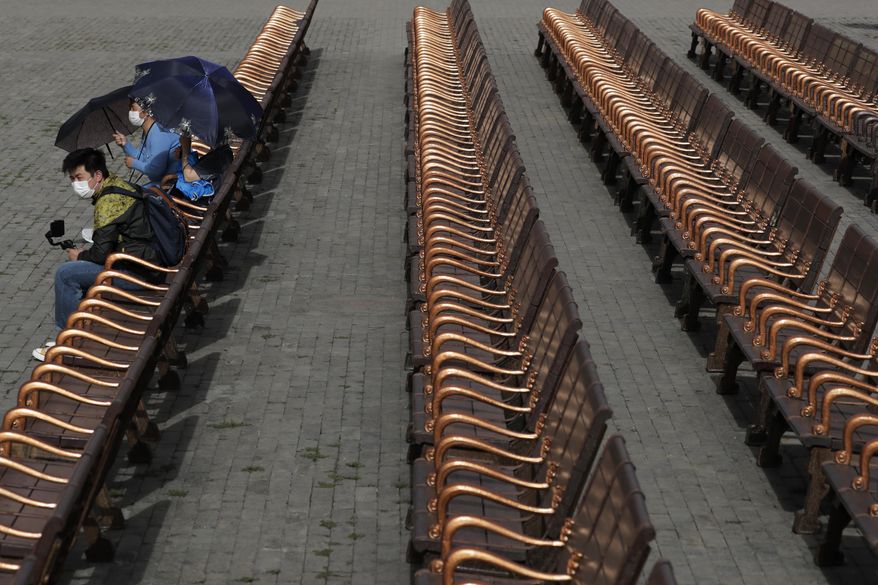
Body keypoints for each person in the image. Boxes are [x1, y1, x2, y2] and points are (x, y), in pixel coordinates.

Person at [32, 148, 160, 361]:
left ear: (97, 175)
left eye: (79, 177)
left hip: (137, 275)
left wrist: (79, 256)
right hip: (146, 263)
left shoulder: (107, 203)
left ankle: (69, 342)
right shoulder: (119, 185)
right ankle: (82, 333)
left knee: (66, 274)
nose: (76, 184)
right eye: (72, 179)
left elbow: (100, 255)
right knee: (79, 272)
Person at [112, 100, 180, 186]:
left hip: (174, 183)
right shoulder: (148, 130)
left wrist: (134, 163)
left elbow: (155, 170)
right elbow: (146, 160)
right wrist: (125, 144)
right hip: (163, 180)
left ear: (146, 112)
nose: (130, 112)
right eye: (129, 108)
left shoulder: (158, 134)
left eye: (133, 108)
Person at [160, 135, 215, 201]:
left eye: (180, 147)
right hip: (186, 178)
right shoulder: (189, 165)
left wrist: (185, 149)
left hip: (184, 193)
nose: (176, 149)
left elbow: (189, 177)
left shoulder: (188, 186)